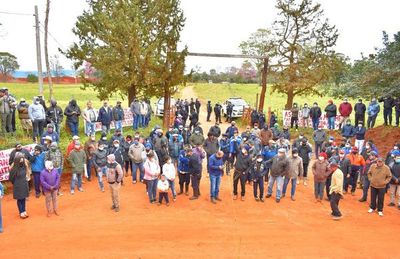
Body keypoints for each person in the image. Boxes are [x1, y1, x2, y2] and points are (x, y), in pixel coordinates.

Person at [9, 153, 30, 219]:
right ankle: (21, 212)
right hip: (17, 185)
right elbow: (11, 178)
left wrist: (27, 178)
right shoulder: (14, 168)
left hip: (24, 184)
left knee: (23, 198)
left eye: (22, 158)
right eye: (20, 158)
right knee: (19, 199)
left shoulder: (24, 165)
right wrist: (16, 183)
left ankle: (24, 211)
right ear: (17, 159)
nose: (21, 159)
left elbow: (27, 173)